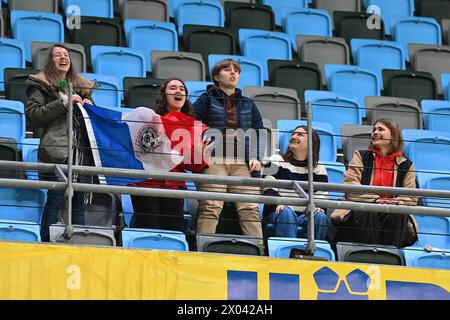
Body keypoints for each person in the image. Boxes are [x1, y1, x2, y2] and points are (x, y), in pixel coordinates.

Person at [25, 44, 96, 241]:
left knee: (79, 201)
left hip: (81, 152)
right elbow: (33, 116)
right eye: (57, 55)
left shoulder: (82, 86)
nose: (63, 57)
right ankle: (47, 242)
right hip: (57, 150)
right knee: (55, 198)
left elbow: (94, 121)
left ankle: (78, 243)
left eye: (66, 55)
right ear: (50, 61)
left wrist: (90, 107)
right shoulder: (40, 84)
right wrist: (63, 103)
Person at [193, 59, 265, 239]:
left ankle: (259, 250)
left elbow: (260, 132)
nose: (233, 73)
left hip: (242, 162)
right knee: (211, 206)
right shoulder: (205, 100)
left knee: (251, 208)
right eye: (227, 70)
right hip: (213, 161)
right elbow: (193, 126)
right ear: (217, 77)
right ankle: (203, 249)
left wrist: (256, 156)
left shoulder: (248, 103)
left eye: (236, 71)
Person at [128, 78, 212, 232]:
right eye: (173, 88)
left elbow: (194, 166)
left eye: (181, 88)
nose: (178, 91)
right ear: (164, 95)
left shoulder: (194, 126)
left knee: (173, 230)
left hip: (174, 184)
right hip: (146, 182)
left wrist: (199, 154)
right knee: (147, 228)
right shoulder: (150, 120)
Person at [331, 118, 419, 248]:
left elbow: (411, 197)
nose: (375, 132)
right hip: (362, 210)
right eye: (374, 129)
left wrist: (394, 203)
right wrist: (376, 200)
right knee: (368, 210)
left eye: (381, 129)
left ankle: (389, 255)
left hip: (391, 212)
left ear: (393, 135)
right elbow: (350, 186)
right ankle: (367, 254)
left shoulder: (407, 165)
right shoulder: (361, 156)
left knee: (398, 214)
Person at [262, 125, 329, 240]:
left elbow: (321, 199)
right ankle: (288, 254)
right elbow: (268, 189)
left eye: (300, 134)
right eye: (293, 134)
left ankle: (313, 255)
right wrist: (279, 202)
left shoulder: (319, 168)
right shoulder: (275, 159)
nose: (293, 136)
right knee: (286, 212)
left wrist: (319, 207)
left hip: (304, 215)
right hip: (278, 213)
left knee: (320, 217)